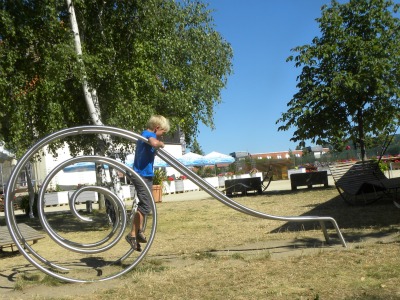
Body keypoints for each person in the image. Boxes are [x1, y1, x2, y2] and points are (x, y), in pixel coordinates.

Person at [126, 115, 170, 251]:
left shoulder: (149, 135)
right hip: (141, 175)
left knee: (146, 204)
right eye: (163, 132)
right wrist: (161, 144)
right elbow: (154, 143)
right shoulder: (147, 134)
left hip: (146, 175)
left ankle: (138, 232)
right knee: (145, 206)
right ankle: (132, 235)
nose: (162, 136)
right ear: (157, 128)